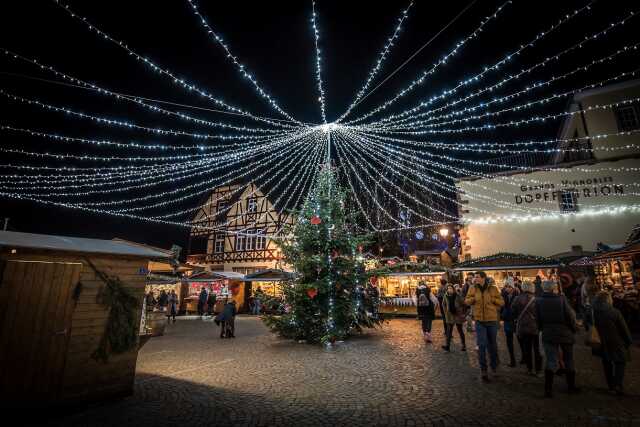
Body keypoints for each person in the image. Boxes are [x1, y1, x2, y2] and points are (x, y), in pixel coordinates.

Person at [536, 279, 579, 398]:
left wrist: (542, 328)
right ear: (553, 288)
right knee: (568, 359)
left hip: (548, 333)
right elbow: (569, 316)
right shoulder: (561, 299)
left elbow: (538, 319)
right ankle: (571, 387)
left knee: (551, 360)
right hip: (564, 332)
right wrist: (573, 328)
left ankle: (548, 390)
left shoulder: (539, 301)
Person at [465, 271, 504, 382]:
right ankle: (484, 370)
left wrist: (493, 300)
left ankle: (494, 367)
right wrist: (472, 300)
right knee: (481, 345)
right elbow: (466, 301)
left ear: (483, 278)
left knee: (493, 345)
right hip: (479, 321)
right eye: (475, 277)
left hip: (492, 320)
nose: (475, 278)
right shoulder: (472, 288)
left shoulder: (493, 289)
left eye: (477, 277)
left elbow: (502, 302)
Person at [592, 290, 632, 396]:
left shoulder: (592, 312)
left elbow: (589, 326)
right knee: (620, 362)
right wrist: (628, 341)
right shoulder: (614, 312)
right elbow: (623, 329)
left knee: (606, 362)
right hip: (616, 341)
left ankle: (610, 385)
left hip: (601, 341)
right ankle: (617, 384)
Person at [512, 281, 542, 376]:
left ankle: (529, 369)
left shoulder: (517, 298)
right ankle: (538, 369)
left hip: (523, 327)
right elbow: (540, 314)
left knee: (527, 348)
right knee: (537, 349)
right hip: (535, 327)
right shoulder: (537, 299)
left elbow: (513, 312)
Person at [441, 284, 466, 352]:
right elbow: (443, 304)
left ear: (453, 289)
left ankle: (463, 345)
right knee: (449, 332)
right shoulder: (445, 296)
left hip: (458, 315)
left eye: (451, 288)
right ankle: (447, 346)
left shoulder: (457, 295)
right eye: (448, 288)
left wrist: (462, 312)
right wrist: (446, 312)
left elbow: (463, 303)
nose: (450, 290)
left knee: (460, 330)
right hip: (450, 316)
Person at [501, 283, 518, 367]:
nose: (507, 288)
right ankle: (512, 359)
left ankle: (524, 357)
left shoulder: (517, 295)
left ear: (513, 287)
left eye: (509, 286)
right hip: (507, 319)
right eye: (506, 287)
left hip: (515, 320)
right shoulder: (503, 295)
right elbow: (501, 307)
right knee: (509, 340)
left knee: (520, 339)